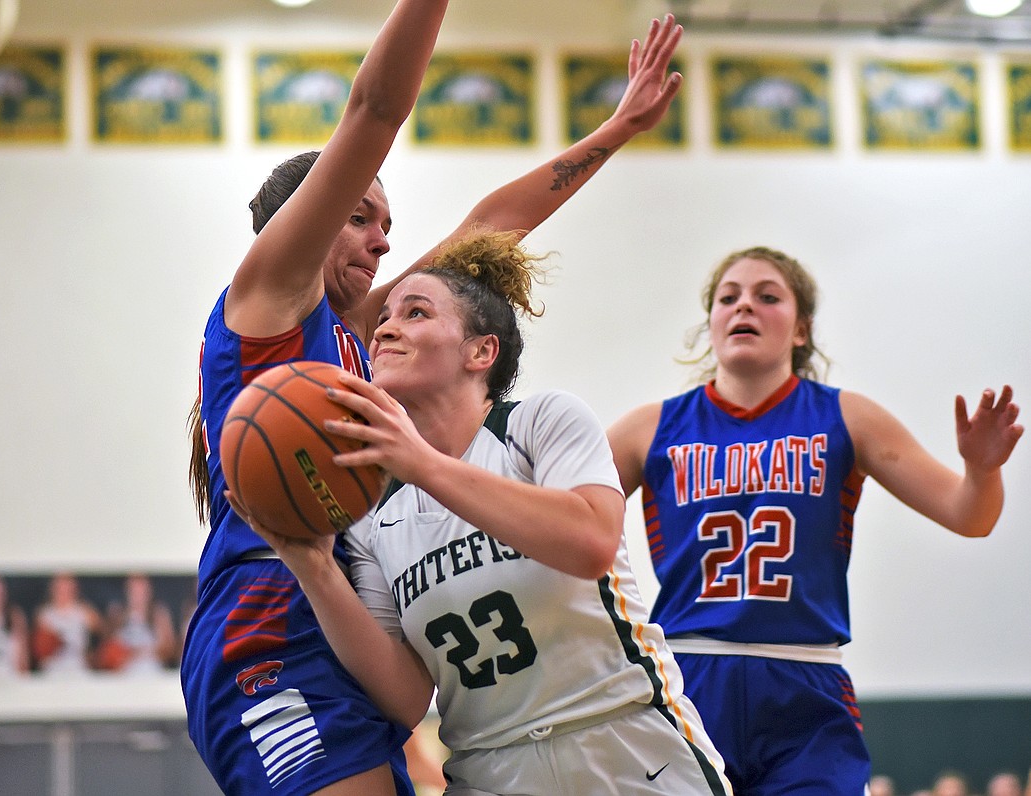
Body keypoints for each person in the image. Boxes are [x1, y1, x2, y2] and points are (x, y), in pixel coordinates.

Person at [181, 1, 686, 793]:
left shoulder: (354, 335)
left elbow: (488, 228)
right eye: (359, 216)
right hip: (268, 630)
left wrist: (616, 128)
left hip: (348, 627)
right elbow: (377, 108)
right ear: (301, 221)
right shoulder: (268, 299)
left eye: (388, 224)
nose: (384, 241)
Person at [242, 231, 732, 795]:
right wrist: (315, 569)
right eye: (383, 322)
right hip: (488, 769)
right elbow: (405, 697)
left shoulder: (540, 423)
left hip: (626, 749)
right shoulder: (371, 511)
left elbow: (592, 540)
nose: (384, 328)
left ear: (481, 351)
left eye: (416, 312)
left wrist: (423, 464)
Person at [605, 246, 1024, 795]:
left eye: (767, 296)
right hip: (690, 676)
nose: (744, 307)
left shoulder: (847, 417)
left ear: (801, 329)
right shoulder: (648, 428)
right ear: (710, 325)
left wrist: (981, 469)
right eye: (728, 298)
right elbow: (556, 522)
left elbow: (970, 516)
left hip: (804, 681)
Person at [95, 572, 177, 675]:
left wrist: (145, 652)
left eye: (141, 589)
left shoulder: (159, 614)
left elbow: (170, 650)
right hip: (124, 675)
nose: (138, 594)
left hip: (152, 672)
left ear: (149, 590)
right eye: (133, 589)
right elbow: (105, 652)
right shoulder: (117, 614)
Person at [32, 570, 103, 677]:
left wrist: (92, 657)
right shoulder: (44, 614)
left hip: (78, 670)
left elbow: (103, 637)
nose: (63, 588)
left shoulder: (85, 611)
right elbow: (38, 649)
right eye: (60, 583)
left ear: (74, 586)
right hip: (52, 671)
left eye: (67, 583)